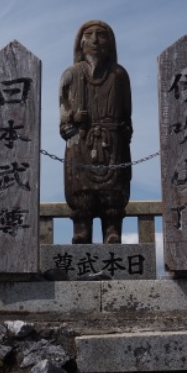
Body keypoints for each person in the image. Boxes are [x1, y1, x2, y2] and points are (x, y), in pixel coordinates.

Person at [59, 20, 132, 244]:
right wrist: (72, 118)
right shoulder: (71, 74)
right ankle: (82, 227)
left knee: (113, 188)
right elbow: (62, 111)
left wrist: (123, 130)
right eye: (89, 35)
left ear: (110, 43)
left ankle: (112, 229)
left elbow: (127, 112)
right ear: (80, 42)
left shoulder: (119, 75)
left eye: (101, 35)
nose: (94, 40)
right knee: (80, 188)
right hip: (80, 140)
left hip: (111, 141)